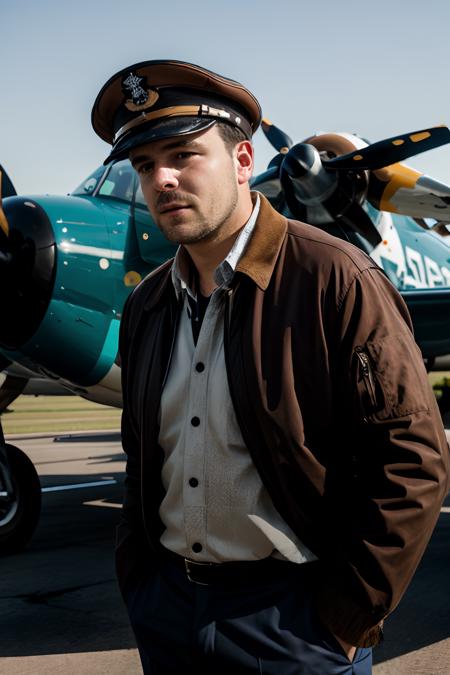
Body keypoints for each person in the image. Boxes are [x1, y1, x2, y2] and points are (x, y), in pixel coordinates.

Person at [92, 60, 449, 675]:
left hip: (297, 625)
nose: (163, 179)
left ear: (242, 160)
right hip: (168, 614)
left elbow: (413, 461)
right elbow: (142, 459)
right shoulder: (147, 303)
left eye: (183, 154)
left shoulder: (337, 277)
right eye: (146, 166)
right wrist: (142, 586)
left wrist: (344, 619)